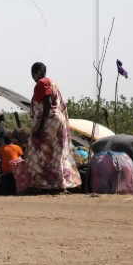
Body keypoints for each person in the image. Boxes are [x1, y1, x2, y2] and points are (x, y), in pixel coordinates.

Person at [25, 62, 81, 191]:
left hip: (49, 123)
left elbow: (47, 103)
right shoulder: (52, 83)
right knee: (56, 155)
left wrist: (40, 127)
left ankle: (41, 184)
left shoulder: (42, 83)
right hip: (56, 122)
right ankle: (58, 185)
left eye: (33, 72)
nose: (32, 76)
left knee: (36, 152)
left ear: (38, 72)